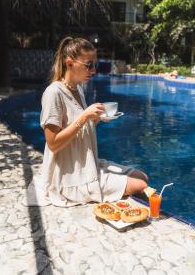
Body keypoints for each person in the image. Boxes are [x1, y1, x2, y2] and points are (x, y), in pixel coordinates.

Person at [24, 37, 148, 207]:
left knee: (142, 176)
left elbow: (78, 131)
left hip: (87, 164)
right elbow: (52, 144)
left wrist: (95, 119)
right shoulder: (54, 93)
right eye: (88, 65)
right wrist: (84, 117)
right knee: (140, 185)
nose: (94, 70)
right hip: (70, 174)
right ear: (69, 63)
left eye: (94, 65)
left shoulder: (78, 89)